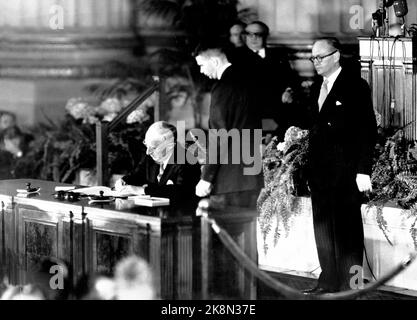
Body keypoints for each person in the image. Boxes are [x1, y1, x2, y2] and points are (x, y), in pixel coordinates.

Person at [304, 37, 377, 294]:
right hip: (320, 173)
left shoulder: (355, 86)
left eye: (320, 57)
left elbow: (367, 131)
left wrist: (363, 170)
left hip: (345, 173)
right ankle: (328, 282)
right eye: (312, 58)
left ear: (336, 56)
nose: (315, 63)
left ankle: (351, 285)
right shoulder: (316, 88)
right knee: (323, 229)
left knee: (348, 232)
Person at [194, 42, 263, 207]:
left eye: (202, 65)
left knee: (224, 231)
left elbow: (220, 136)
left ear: (215, 62)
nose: (201, 71)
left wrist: (206, 178)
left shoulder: (223, 88)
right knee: (247, 230)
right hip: (251, 177)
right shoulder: (249, 81)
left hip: (229, 180)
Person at [114, 121, 201, 207]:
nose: (148, 152)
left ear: (169, 146)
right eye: (147, 145)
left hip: (179, 213)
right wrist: (124, 181)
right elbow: (137, 175)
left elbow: (180, 192)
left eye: (153, 147)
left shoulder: (187, 160)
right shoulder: (151, 157)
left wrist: (140, 190)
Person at [245, 21, 300, 141]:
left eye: (258, 34)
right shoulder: (238, 58)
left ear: (265, 36)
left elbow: (291, 78)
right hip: (251, 112)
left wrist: (289, 90)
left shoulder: (277, 56)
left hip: (278, 110)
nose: (253, 38)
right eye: (249, 34)